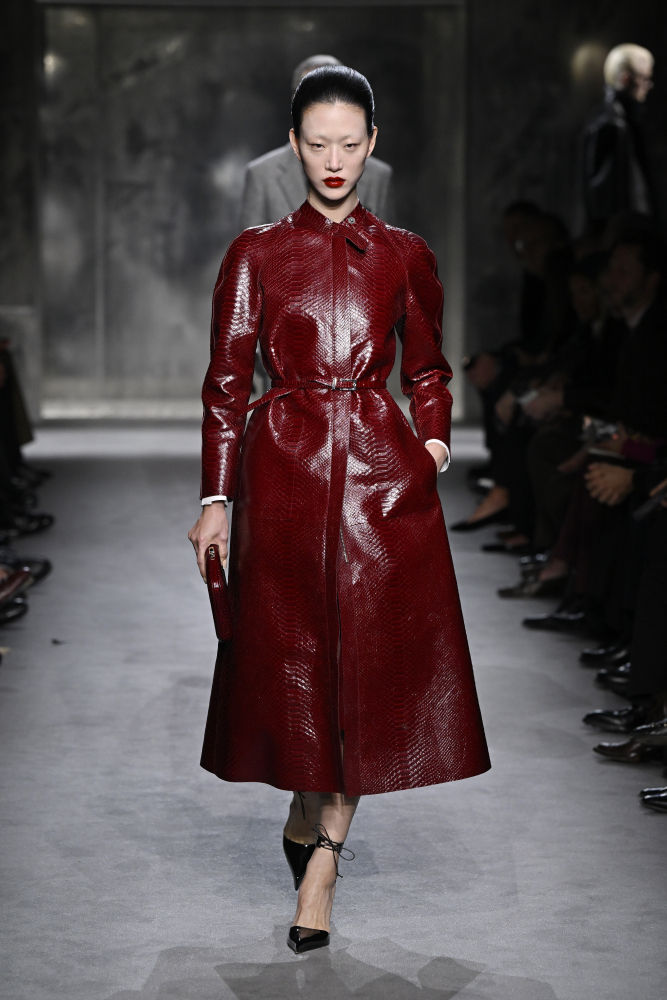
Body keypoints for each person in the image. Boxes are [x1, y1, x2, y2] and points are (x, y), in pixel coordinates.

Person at [188, 66, 490, 954]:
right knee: (295, 659)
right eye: (315, 143)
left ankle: (323, 861)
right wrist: (215, 496)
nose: (332, 160)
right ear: (291, 145)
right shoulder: (254, 253)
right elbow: (222, 384)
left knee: (369, 664)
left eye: (348, 143)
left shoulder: (402, 251)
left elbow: (429, 368)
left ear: (371, 142)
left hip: (380, 485)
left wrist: (428, 444)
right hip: (278, 477)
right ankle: (303, 798)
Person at [239, 55, 394, 228]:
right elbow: (248, 252)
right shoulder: (262, 175)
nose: (325, 106)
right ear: (294, 103)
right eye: (314, 96)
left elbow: (387, 250)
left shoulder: (378, 175)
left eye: (334, 94)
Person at [581, 44, 656, 231]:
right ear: (625, 79)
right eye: (644, 79)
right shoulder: (611, 125)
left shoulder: (622, 122)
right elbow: (606, 198)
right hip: (623, 236)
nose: (648, 87)